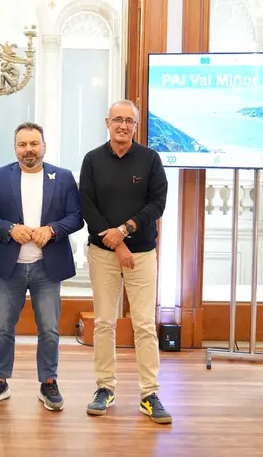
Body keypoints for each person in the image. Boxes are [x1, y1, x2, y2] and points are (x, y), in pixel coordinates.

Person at [0, 122, 82, 411]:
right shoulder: (0, 176)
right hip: (10, 268)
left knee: (49, 329)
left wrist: (52, 229)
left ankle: (48, 382)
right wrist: (10, 229)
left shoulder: (63, 177)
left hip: (48, 268)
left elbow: (76, 217)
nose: (29, 149)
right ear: (15, 148)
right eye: (23, 144)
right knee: (3, 327)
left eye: (34, 144)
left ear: (44, 146)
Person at [78, 99, 171, 424]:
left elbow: (157, 204)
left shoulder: (150, 159)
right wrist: (117, 244)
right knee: (104, 322)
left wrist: (125, 230)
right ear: (107, 123)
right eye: (117, 119)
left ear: (136, 126)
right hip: (103, 253)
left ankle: (150, 394)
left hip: (142, 253)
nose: (122, 126)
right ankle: (104, 388)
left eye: (128, 121)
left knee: (144, 324)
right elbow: (87, 206)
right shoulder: (92, 160)